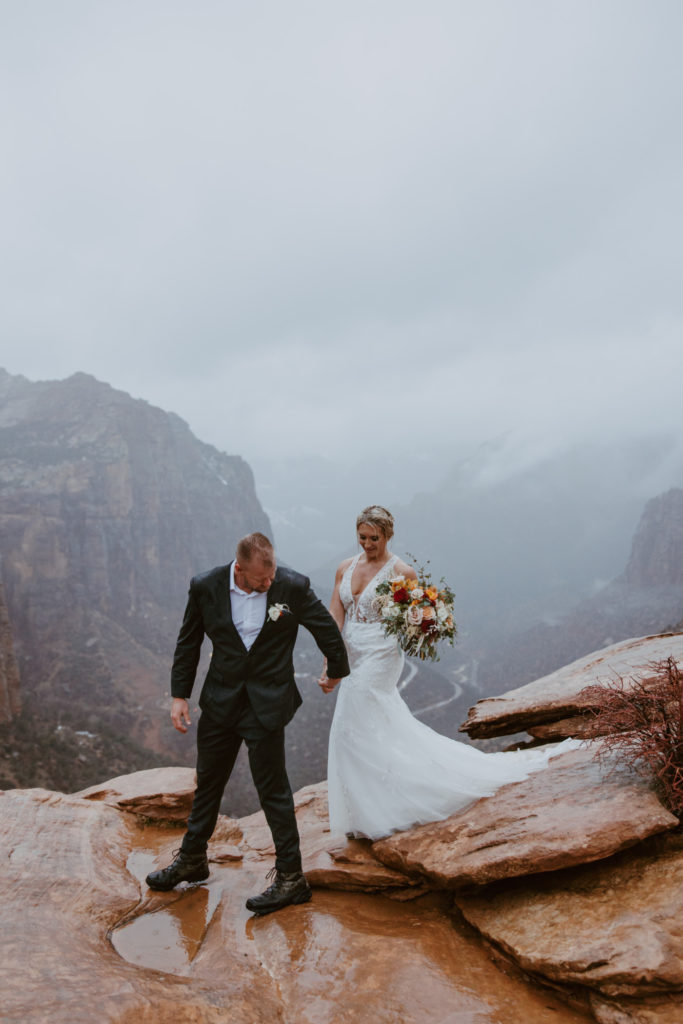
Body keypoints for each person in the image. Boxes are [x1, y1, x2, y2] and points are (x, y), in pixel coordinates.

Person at [320, 505, 578, 840]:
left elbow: (419, 618)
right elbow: (334, 616)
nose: (367, 544)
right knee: (361, 724)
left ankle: (380, 809)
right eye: (362, 537)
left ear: (388, 536)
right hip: (351, 652)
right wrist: (331, 660)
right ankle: (371, 801)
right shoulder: (345, 568)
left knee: (352, 717)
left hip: (382, 654)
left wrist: (426, 624)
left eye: (374, 538)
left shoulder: (402, 573)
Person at [146, 532, 350, 914]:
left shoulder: (291, 584)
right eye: (260, 580)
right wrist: (179, 696)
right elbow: (188, 641)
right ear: (239, 569)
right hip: (221, 702)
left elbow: (324, 627)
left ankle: (292, 879)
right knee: (208, 781)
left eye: (271, 576)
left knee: (273, 790)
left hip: (267, 705)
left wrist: (336, 670)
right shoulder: (205, 586)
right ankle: (192, 858)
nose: (268, 584)